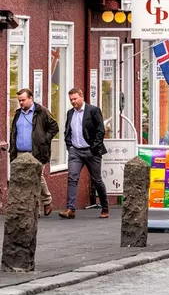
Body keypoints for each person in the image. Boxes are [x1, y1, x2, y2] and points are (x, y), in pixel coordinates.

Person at [58, 88, 109, 220]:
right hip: (75, 151)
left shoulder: (93, 110)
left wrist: (94, 147)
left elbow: (100, 130)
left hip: (91, 151)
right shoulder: (70, 113)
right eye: (71, 100)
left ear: (81, 97)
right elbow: (67, 130)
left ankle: (105, 207)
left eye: (75, 99)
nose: (73, 101)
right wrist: (69, 145)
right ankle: (70, 209)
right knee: (72, 178)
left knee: (97, 180)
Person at [9, 88, 58, 217]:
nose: (21, 103)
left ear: (31, 98)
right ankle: (30, 209)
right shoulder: (18, 113)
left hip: (36, 152)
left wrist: (44, 140)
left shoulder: (41, 111)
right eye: (19, 101)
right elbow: (14, 131)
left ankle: (47, 201)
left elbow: (54, 127)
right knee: (22, 181)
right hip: (20, 153)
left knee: (37, 177)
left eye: (23, 100)